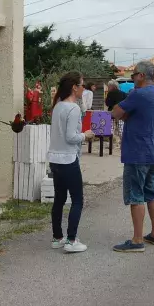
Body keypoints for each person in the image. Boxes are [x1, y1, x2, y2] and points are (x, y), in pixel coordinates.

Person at [110, 61, 154, 253]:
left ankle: (137, 239)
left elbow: (116, 113)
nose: (132, 79)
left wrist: (123, 107)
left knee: (136, 195)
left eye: (134, 75)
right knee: (151, 193)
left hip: (137, 152)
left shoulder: (138, 94)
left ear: (141, 75)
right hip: (153, 151)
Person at [48, 71, 94, 253]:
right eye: (82, 85)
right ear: (74, 87)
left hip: (54, 159)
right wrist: (86, 135)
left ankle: (58, 237)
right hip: (68, 159)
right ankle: (71, 240)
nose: (83, 88)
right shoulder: (73, 108)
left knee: (59, 198)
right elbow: (70, 137)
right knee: (77, 200)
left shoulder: (58, 106)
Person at [105, 80, 127, 148]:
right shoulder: (123, 93)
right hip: (121, 113)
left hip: (112, 113)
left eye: (108, 86)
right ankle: (123, 144)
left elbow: (107, 103)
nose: (108, 87)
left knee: (111, 129)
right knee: (121, 129)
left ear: (111, 86)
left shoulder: (110, 93)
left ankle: (111, 145)